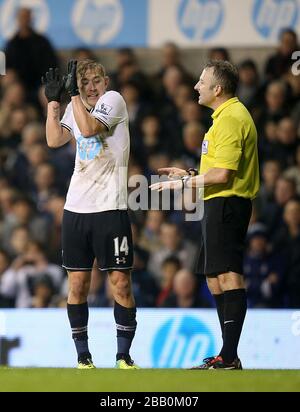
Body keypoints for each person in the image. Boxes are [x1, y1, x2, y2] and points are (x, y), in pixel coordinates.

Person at [150, 60, 260, 369]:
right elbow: (217, 170)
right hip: (216, 203)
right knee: (213, 278)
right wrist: (191, 172)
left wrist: (182, 182)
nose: (196, 86)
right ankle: (228, 353)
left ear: (218, 88)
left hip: (227, 202)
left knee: (228, 274)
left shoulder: (231, 118)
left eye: (202, 81)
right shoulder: (223, 118)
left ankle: (229, 356)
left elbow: (223, 175)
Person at [42, 59, 138, 369]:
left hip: (111, 209)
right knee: (77, 285)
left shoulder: (114, 101)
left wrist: (72, 96)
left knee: (121, 284)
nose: (91, 87)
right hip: (76, 210)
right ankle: (83, 358)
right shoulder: (75, 104)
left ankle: (123, 356)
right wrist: (53, 103)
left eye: (96, 80)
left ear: (106, 81)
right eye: (85, 83)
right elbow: (54, 140)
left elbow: (89, 128)